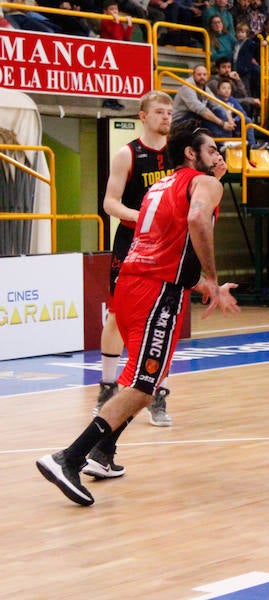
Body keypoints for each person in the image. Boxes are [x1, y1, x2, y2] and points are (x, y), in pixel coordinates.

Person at [36, 123, 241, 506]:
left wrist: (201, 285)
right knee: (145, 383)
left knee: (146, 378)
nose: (220, 157)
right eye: (212, 150)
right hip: (157, 292)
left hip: (132, 282)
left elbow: (168, 247)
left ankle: (103, 452)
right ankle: (69, 457)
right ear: (191, 154)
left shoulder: (158, 186)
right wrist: (212, 279)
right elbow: (197, 221)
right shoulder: (204, 184)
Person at [92, 91, 176, 444]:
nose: (166, 117)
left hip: (169, 245)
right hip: (132, 243)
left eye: (170, 112)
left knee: (165, 319)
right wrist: (140, 217)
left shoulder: (178, 153)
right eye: (159, 111)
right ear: (143, 116)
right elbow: (109, 203)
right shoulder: (127, 153)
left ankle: (158, 394)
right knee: (117, 316)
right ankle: (108, 385)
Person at [173, 65, 235, 136]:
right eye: (199, 74)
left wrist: (229, 117)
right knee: (204, 115)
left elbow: (216, 103)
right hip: (179, 121)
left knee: (218, 110)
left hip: (195, 117)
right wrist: (222, 123)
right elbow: (200, 109)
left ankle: (227, 140)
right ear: (193, 75)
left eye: (204, 74)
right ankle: (221, 141)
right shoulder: (187, 86)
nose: (202, 77)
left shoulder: (205, 88)